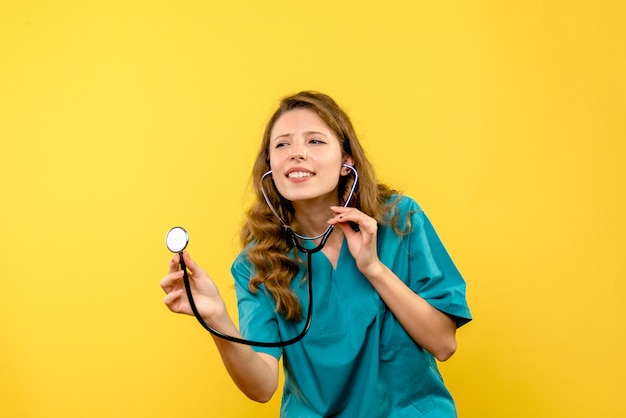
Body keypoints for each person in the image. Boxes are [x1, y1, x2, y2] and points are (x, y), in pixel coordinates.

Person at [160, 91, 472, 417]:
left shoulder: (399, 221)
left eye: (315, 142)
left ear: (346, 161)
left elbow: (443, 344)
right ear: (270, 168)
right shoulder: (257, 264)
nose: (297, 154)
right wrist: (216, 319)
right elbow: (262, 386)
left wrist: (373, 268)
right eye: (282, 145)